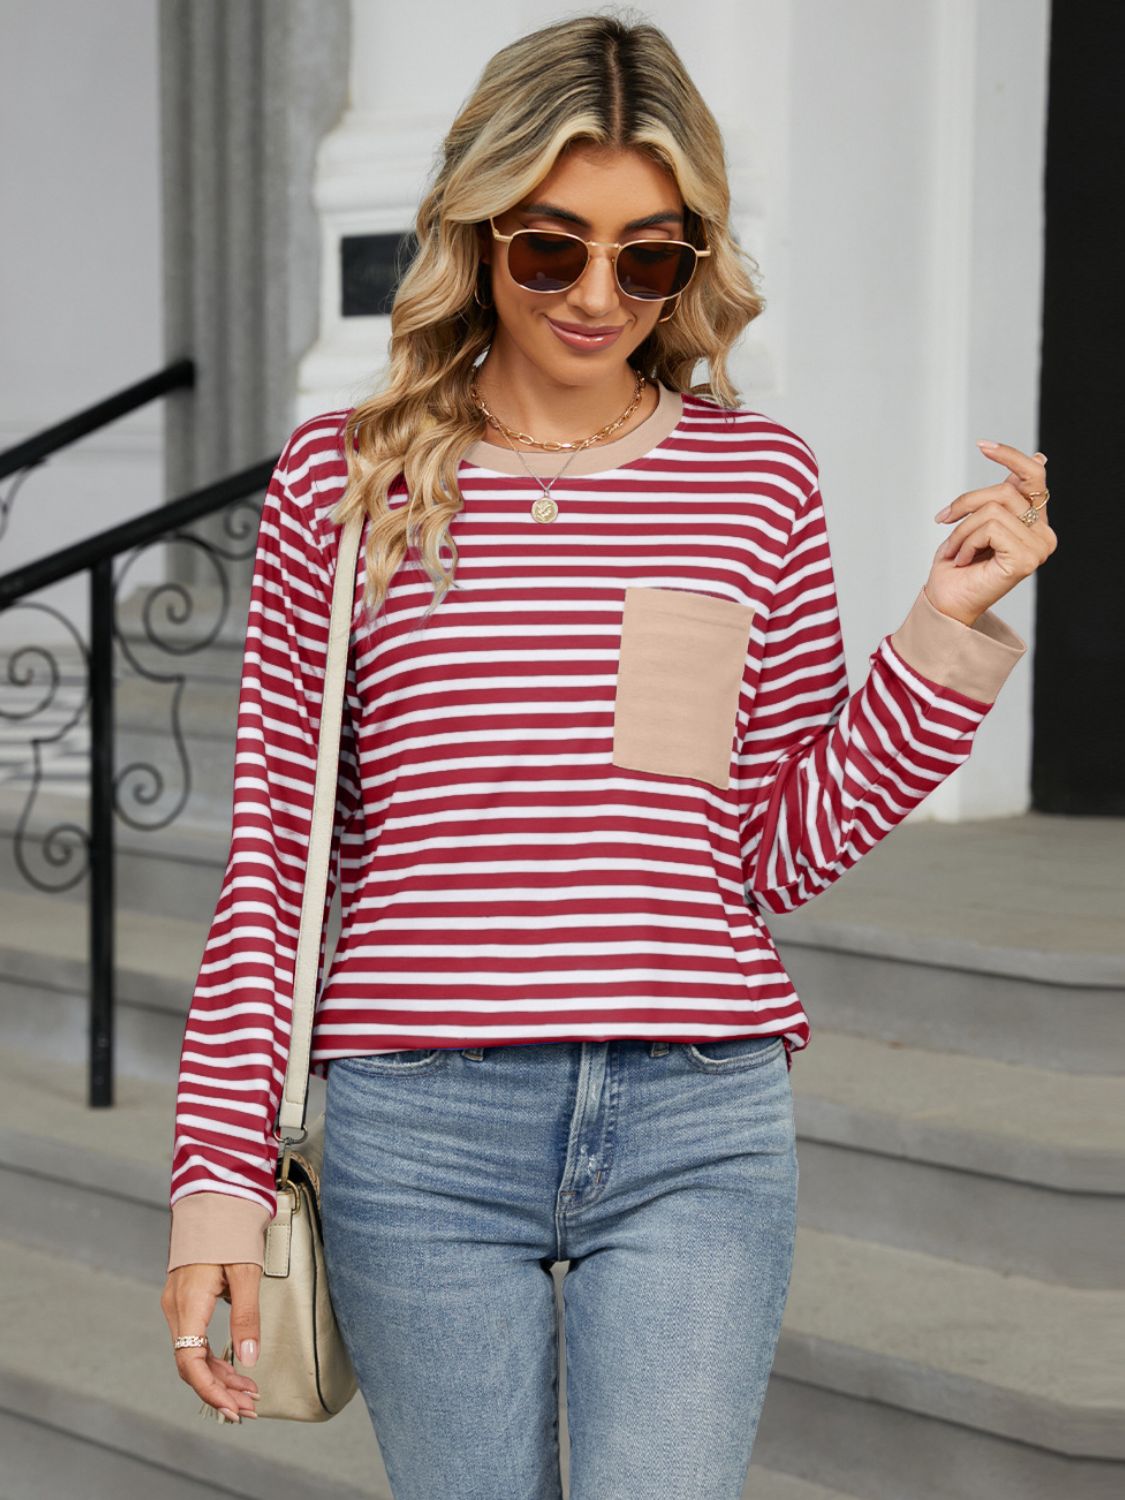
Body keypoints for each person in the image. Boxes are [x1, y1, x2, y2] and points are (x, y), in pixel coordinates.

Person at [161, 12, 1055, 1496]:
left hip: (696, 1115)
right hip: (418, 1123)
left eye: (648, 258)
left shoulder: (755, 479)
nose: (596, 297)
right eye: (550, 248)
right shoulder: (347, 477)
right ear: (474, 231)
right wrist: (215, 1179)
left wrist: (942, 636)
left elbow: (774, 851)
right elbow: (274, 860)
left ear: (691, 259)